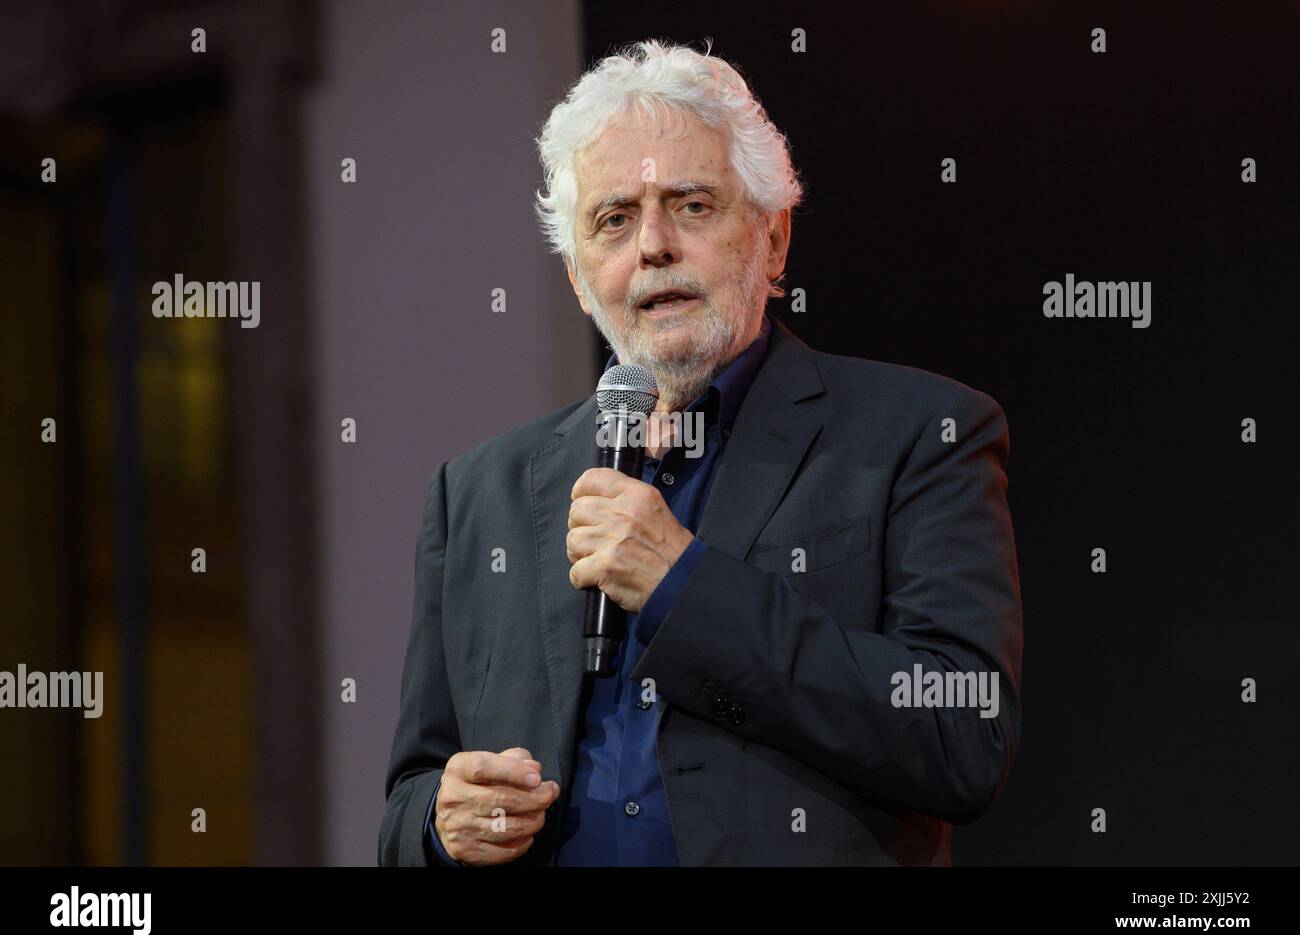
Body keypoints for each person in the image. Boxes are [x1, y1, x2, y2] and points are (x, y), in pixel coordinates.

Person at [379, 38, 1023, 867]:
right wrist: (440, 822)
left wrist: (685, 585)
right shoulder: (477, 494)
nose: (652, 246)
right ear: (580, 278)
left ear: (774, 240)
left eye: (690, 206)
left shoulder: (918, 434)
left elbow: (965, 739)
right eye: (613, 220)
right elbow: (405, 802)